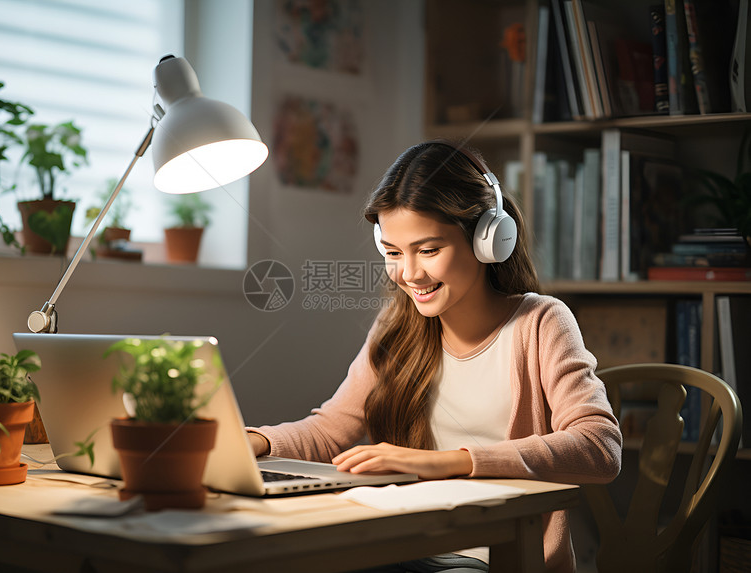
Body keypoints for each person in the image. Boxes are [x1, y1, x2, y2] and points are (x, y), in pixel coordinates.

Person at [247, 141, 622, 573]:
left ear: (487, 239)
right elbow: (332, 428)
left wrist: (446, 463)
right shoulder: (397, 326)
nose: (409, 274)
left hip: (498, 557)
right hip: (408, 544)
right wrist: (253, 443)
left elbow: (600, 447)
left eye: (428, 250)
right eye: (392, 253)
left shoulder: (541, 322)